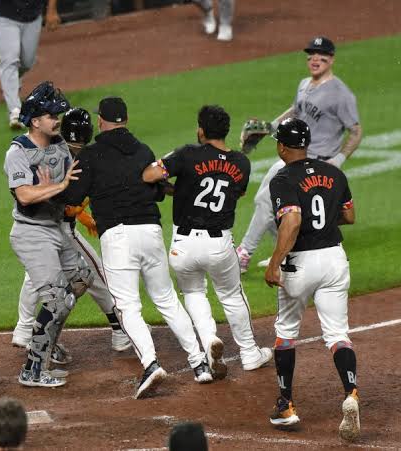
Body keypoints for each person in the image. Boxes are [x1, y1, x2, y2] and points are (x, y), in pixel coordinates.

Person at [65, 96, 211, 400]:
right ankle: (199, 363)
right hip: (150, 231)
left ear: (102, 121)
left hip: (118, 238)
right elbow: (158, 190)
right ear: (126, 119)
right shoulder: (143, 150)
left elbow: (72, 200)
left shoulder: (90, 155)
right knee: (167, 299)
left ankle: (150, 363)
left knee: (127, 305)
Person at [142, 105, 272, 378]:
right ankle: (250, 353)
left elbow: (149, 175)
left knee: (193, 293)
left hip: (183, 245)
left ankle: (208, 339)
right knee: (232, 296)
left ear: (201, 130)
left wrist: (177, 188)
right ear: (226, 131)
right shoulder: (241, 162)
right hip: (219, 244)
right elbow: (234, 193)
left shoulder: (188, 154)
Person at [264, 118, 359, 442]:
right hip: (334, 257)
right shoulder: (334, 172)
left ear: (281, 146)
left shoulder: (283, 178)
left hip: (301, 262)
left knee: (287, 332)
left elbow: (291, 221)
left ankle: (286, 405)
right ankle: (351, 392)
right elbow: (349, 215)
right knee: (337, 334)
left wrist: (274, 262)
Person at [236, 36, 362, 273]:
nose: (315, 59)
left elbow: (356, 131)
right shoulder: (305, 84)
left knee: (266, 201)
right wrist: (271, 128)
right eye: (312, 54)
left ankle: (243, 254)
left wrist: (339, 160)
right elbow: (296, 110)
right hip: (293, 156)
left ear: (331, 59)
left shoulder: (341, 94)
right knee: (264, 201)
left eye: (321, 55)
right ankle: (286, 255)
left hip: (317, 161)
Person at [12, 107, 132, 355]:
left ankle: (23, 331)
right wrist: (86, 215)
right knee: (95, 275)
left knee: (33, 279)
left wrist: (82, 215)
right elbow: (71, 202)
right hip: (62, 230)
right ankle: (120, 332)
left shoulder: (52, 150)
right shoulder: (86, 157)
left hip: (39, 225)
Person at [3, 81, 88, 388]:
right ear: (35, 120)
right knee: (54, 300)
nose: (58, 120)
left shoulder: (59, 145)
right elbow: (25, 195)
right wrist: (61, 186)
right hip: (31, 234)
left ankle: (47, 341)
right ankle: (33, 369)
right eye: (53, 115)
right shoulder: (18, 153)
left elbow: (79, 171)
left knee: (80, 280)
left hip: (56, 229)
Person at [0, 0, 59, 129]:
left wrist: (51, 9)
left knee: (27, 62)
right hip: (3, 16)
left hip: (33, 15)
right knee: (9, 61)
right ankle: (15, 110)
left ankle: (13, 82)